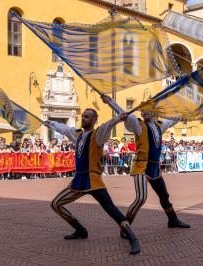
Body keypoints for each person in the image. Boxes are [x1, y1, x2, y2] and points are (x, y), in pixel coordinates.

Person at [43, 106, 140, 255]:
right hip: (78, 181)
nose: (83, 119)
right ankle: (80, 230)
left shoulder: (98, 135)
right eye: (83, 116)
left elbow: (107, 125)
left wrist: (118, 118)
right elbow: (64, 129)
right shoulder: (78, 135)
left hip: (93, 180)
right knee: (56, 204)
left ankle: (133, 238)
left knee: (111, 209)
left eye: (87, 117)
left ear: (94, 120)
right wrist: (50, 124)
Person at [102, 95, 190, 234]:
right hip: (141, 167)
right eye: (143, 111)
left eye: (147, 110)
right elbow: (123, 112)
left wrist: (186, 108)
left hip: (154, 168)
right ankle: (126, 227)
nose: (144, 113)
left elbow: (174, 119)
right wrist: (110, 102)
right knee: (141, 198)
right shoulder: (138, 125)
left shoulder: (160, 125)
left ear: (154, 112)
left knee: (164, 195)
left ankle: (172, 219)